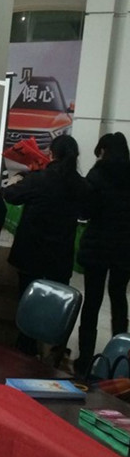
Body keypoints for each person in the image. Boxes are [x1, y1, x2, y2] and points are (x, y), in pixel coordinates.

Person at [2, 134, 87, 356]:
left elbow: (10, 196)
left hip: (31, 253)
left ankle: (26, 350)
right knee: (58, 305)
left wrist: (16, 180)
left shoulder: (39, 179)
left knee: (28, 302)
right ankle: (53, 351)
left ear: (51, 154)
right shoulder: (80, 184)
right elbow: (87, 211)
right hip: (60, 256)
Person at [74, 133, 130, 375]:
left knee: (93, 301)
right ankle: (122, 357)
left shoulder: (97, 175)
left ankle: (85, 359)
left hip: (97, 246)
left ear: (104, 150)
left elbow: (85, 211)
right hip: (125, 247)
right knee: (119, 297)